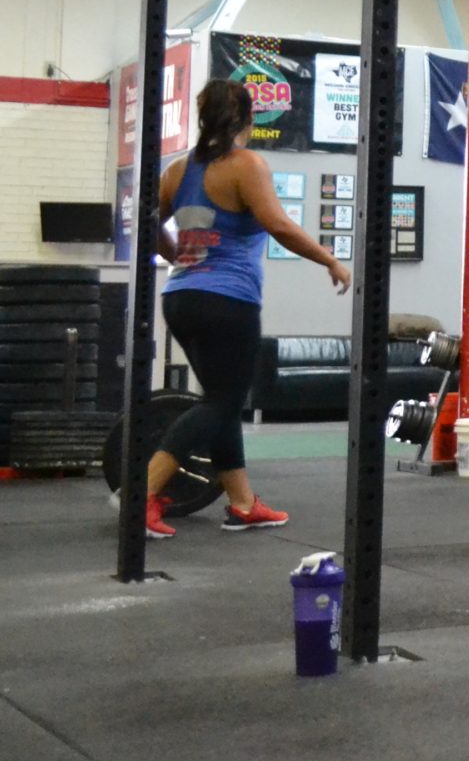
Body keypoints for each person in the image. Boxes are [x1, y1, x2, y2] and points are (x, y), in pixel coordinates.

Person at [144, 79, 350, 539]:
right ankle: (145, 491)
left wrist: (178, 256)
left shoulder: (178, 170)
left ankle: (242, 503)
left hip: (180, 298)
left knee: (222, 399)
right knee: (222, 402)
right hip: (227, 301)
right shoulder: (246, 165)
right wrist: (330, 260)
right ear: (247, 118)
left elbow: (150, 223)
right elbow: (278, 224)